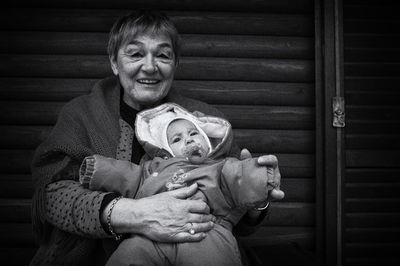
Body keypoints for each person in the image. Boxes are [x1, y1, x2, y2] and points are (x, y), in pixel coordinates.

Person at [30, 9, 283, 265]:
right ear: (114, 62)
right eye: (136, 54)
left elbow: (236, 216)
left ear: (175, 64)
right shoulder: (81, 114)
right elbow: (51, 197)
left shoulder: (205, 122)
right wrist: (135, 214)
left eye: (163, 55)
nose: (150, 67)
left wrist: (256, 199)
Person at [79, 103, 284, 265]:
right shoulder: (151, 170)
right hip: (152, 236)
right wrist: (97, 170)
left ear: (207, 140)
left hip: (205, 234)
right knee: (129, 254)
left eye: (194, 134)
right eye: (177, 139)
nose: (188, 140)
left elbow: (237, 176)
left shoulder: (219, 166)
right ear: (166, 150)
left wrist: (259, 175)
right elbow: (126, 175)